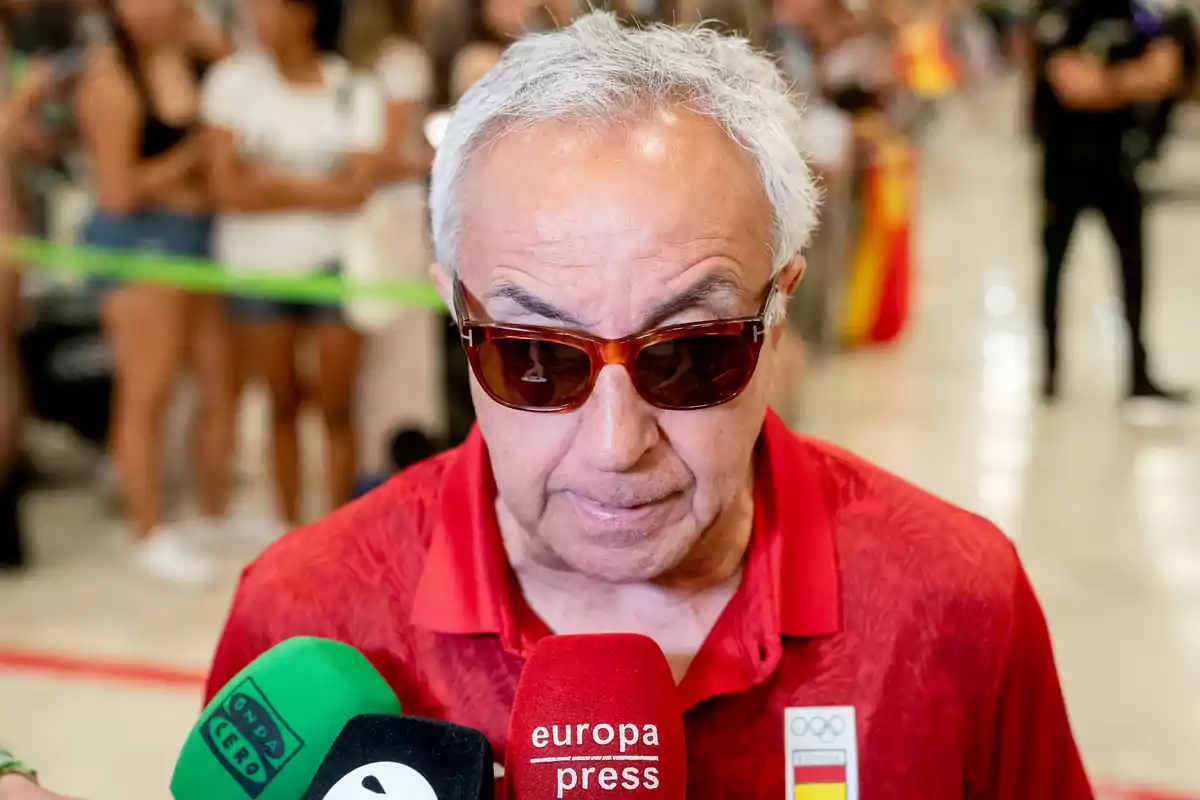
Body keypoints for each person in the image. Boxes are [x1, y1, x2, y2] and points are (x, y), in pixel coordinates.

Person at [203, 14, 1094, 798]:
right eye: (537, 360)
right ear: (454, 310)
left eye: (689, 356)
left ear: (777, 312)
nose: (617, 444)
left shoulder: (955, 604)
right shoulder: (305, 616)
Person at [201, 0, 385, 527]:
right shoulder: (231, 83)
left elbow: (356, 190)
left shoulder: (353, 87)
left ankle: (340, 528)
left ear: (307, 14)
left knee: (337, 404)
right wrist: (317, 188)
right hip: (256, 267)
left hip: (337, 264)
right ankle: (289, 527)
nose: (258, 18)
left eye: (270, 7)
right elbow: (227, 189)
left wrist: (271, 181)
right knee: (280, 403)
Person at [73, 0, 237, 583]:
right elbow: (118, 190)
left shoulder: (197, 56)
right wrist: (192, 157)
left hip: (197, 239)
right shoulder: (109, 78)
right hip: (137, 247)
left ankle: (212, 511)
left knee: (219, 381)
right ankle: (147, 530)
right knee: (148, 390)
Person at [1031, 0, 1191, 407]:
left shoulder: (1138, 15)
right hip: (1065, 166)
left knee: (1134, 270)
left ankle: (1138, 371)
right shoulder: (1060, 13)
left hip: (1119, 164)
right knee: (1054, 270)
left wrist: (1107, 83)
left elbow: (1165, 73)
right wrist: (1127, 81)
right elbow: (1073, 87)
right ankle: (1050, 372)